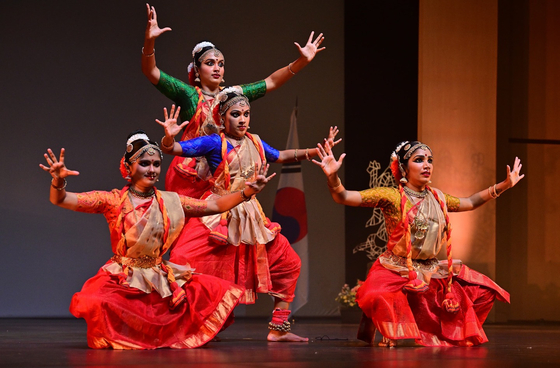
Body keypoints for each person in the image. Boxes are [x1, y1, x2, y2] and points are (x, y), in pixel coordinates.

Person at [39, 130, 274, 349]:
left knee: (212, 291)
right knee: (95, 300)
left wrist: (247, 193)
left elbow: (213, 205)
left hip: (160, 277)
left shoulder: (173, 201)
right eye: (144, 163)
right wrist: (58, 182)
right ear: (128, 167)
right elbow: (62, 200)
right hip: (123, 277)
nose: (151, 169)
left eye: (156, 164)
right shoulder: (113, 201)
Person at [156, 90, 340, 342]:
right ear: (222, 118)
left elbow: (280, 155)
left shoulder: (254, 141)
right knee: (183, 260)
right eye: (235, 114)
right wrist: (168, 139)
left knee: (289, 264)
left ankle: (279, 329)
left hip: (252, 219)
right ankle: (184, 324)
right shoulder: (213, 142)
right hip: (219, 214)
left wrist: (316, 151)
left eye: (246, 114)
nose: (242, 119)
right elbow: (175, 149)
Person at [313, 140, 524, 347]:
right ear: (404, 167)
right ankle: (394, 333)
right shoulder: (392, 196)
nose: (427, 165)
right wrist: (333, 177)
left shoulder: (438, 198)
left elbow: (469, 202)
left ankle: (433, 332)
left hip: (431, 269)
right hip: (396, 269)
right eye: (419, 160)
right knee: (376, 295)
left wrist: (504, 185)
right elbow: (344, 197)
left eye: (429, 160)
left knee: (482, 290)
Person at [141, 3, 325, 198]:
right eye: (209, 63)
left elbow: (270, 82)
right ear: (196, 70)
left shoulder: (233, 96)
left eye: (221, 64)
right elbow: (151, 71)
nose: (217, 68)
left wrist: (302, 61)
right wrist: (149, 41)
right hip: (190, 176)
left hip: (227, 170)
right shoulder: (189, 95)